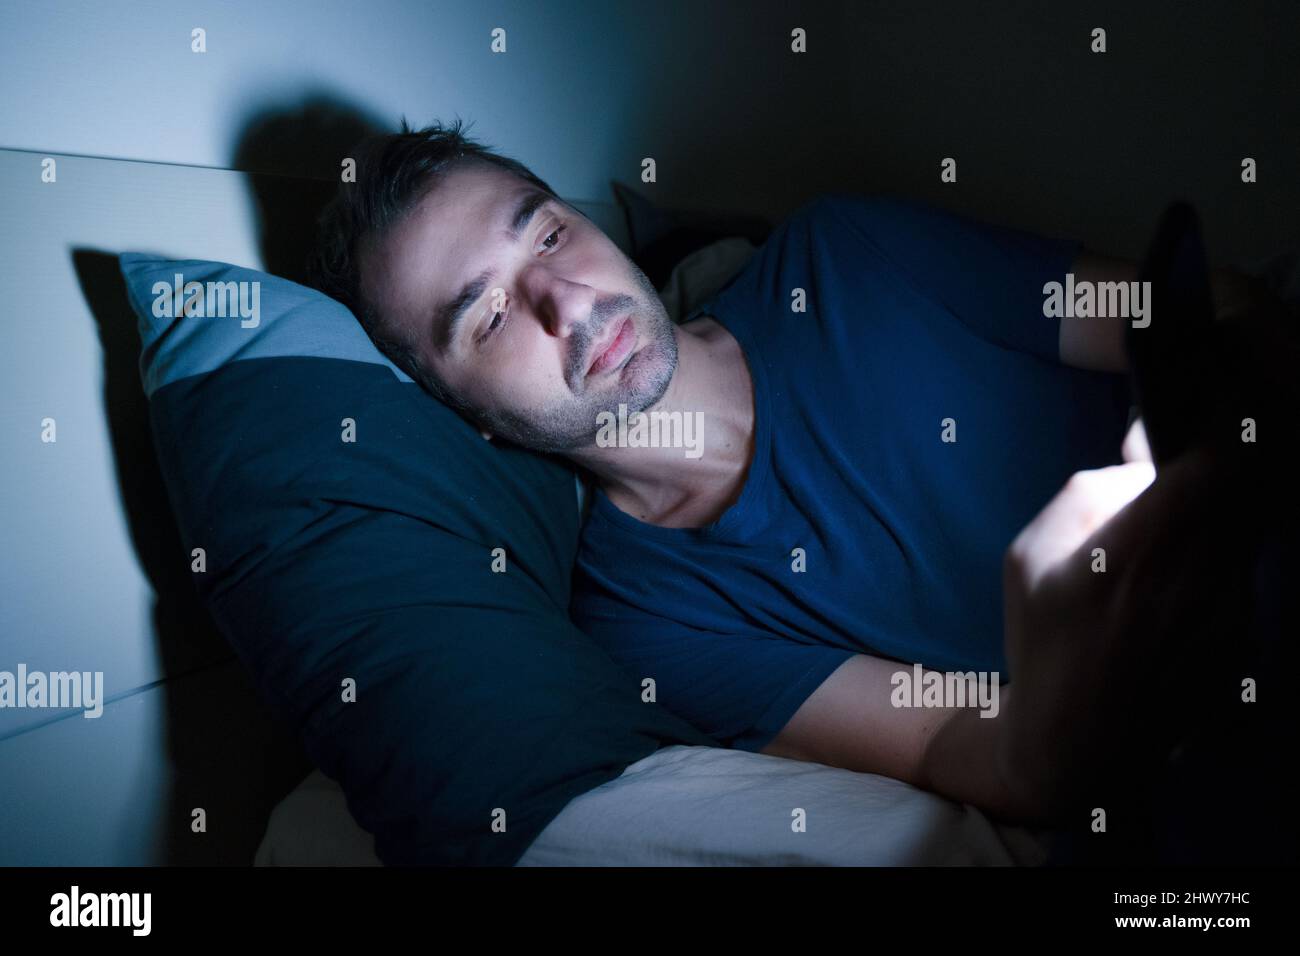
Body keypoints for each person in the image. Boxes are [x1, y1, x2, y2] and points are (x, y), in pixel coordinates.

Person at [311, 120, 1274, 825]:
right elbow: (976, 751)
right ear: (459, 411)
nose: (567, 304)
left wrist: (1224, 432)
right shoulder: (640, 618)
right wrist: (1069, 658)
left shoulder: (843, 256)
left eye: (550, 233)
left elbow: (1178, 311)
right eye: (486, 318)